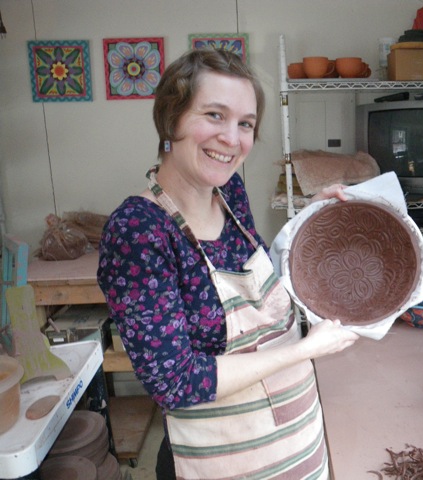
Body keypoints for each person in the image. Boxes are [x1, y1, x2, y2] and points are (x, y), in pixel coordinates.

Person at [97, 48, 359, 480]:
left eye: (246, 124)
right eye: (215, 115)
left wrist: (307, 220)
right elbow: (175, 382)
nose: (232, 139)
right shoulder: (139, 231)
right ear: (171, 120)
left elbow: (257, 286)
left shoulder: (229, 192)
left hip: (297, 446)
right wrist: (303, 351)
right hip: (223, 461)